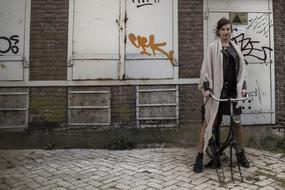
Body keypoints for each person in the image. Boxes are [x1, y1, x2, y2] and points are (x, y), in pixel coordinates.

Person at [193, 17, 250, 173]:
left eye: (228, 29)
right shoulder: (213, 48)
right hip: (216, 93)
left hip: (233, 93)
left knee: (237, 123)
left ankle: (241, 155)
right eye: (223, 29)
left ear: (231, 31)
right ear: (218, 31)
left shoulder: (236, 48)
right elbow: (205, 70)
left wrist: (243, 87)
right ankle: (199, 157)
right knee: (208, 123)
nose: (226, 32)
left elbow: (242, 72)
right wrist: (206, 88)